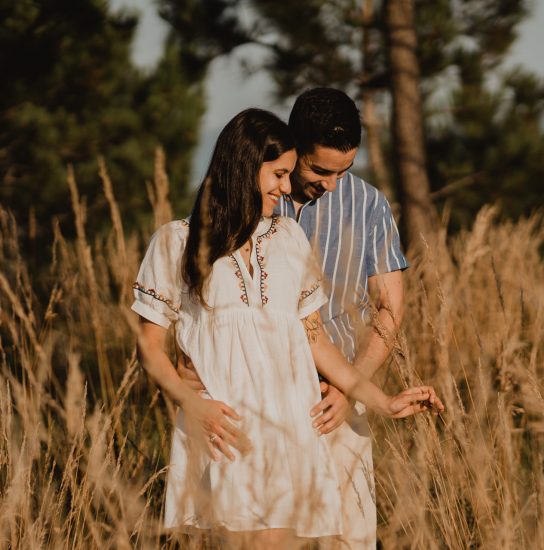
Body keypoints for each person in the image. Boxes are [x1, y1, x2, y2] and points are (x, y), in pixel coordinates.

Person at [132, 108, 443, 547]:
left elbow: (314, 340)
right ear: (243, 167)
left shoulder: (288, 241)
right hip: (226, 433)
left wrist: (383, 402)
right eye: (277, 174)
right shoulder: (175, 242)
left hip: (290, 431)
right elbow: (149, 347)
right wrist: (190, 403)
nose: (285, 186)